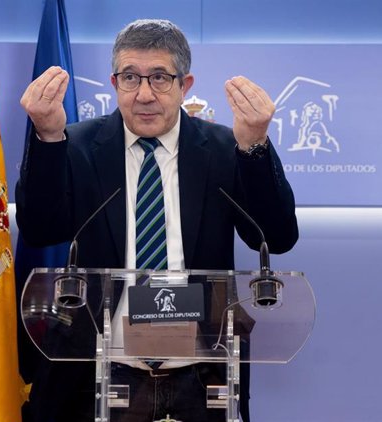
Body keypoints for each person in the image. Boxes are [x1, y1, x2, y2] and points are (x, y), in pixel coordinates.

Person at [16, 18, 298, 422]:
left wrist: (254, 145)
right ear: (114, 83)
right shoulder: (76, 145)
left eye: (160, 78)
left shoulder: (222, 148)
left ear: (186, 84)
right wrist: (46, 137)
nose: (144, 94)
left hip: (201, 378)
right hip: (97, 374)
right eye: (131, 77)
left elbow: (277, 236)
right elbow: (42, 229)